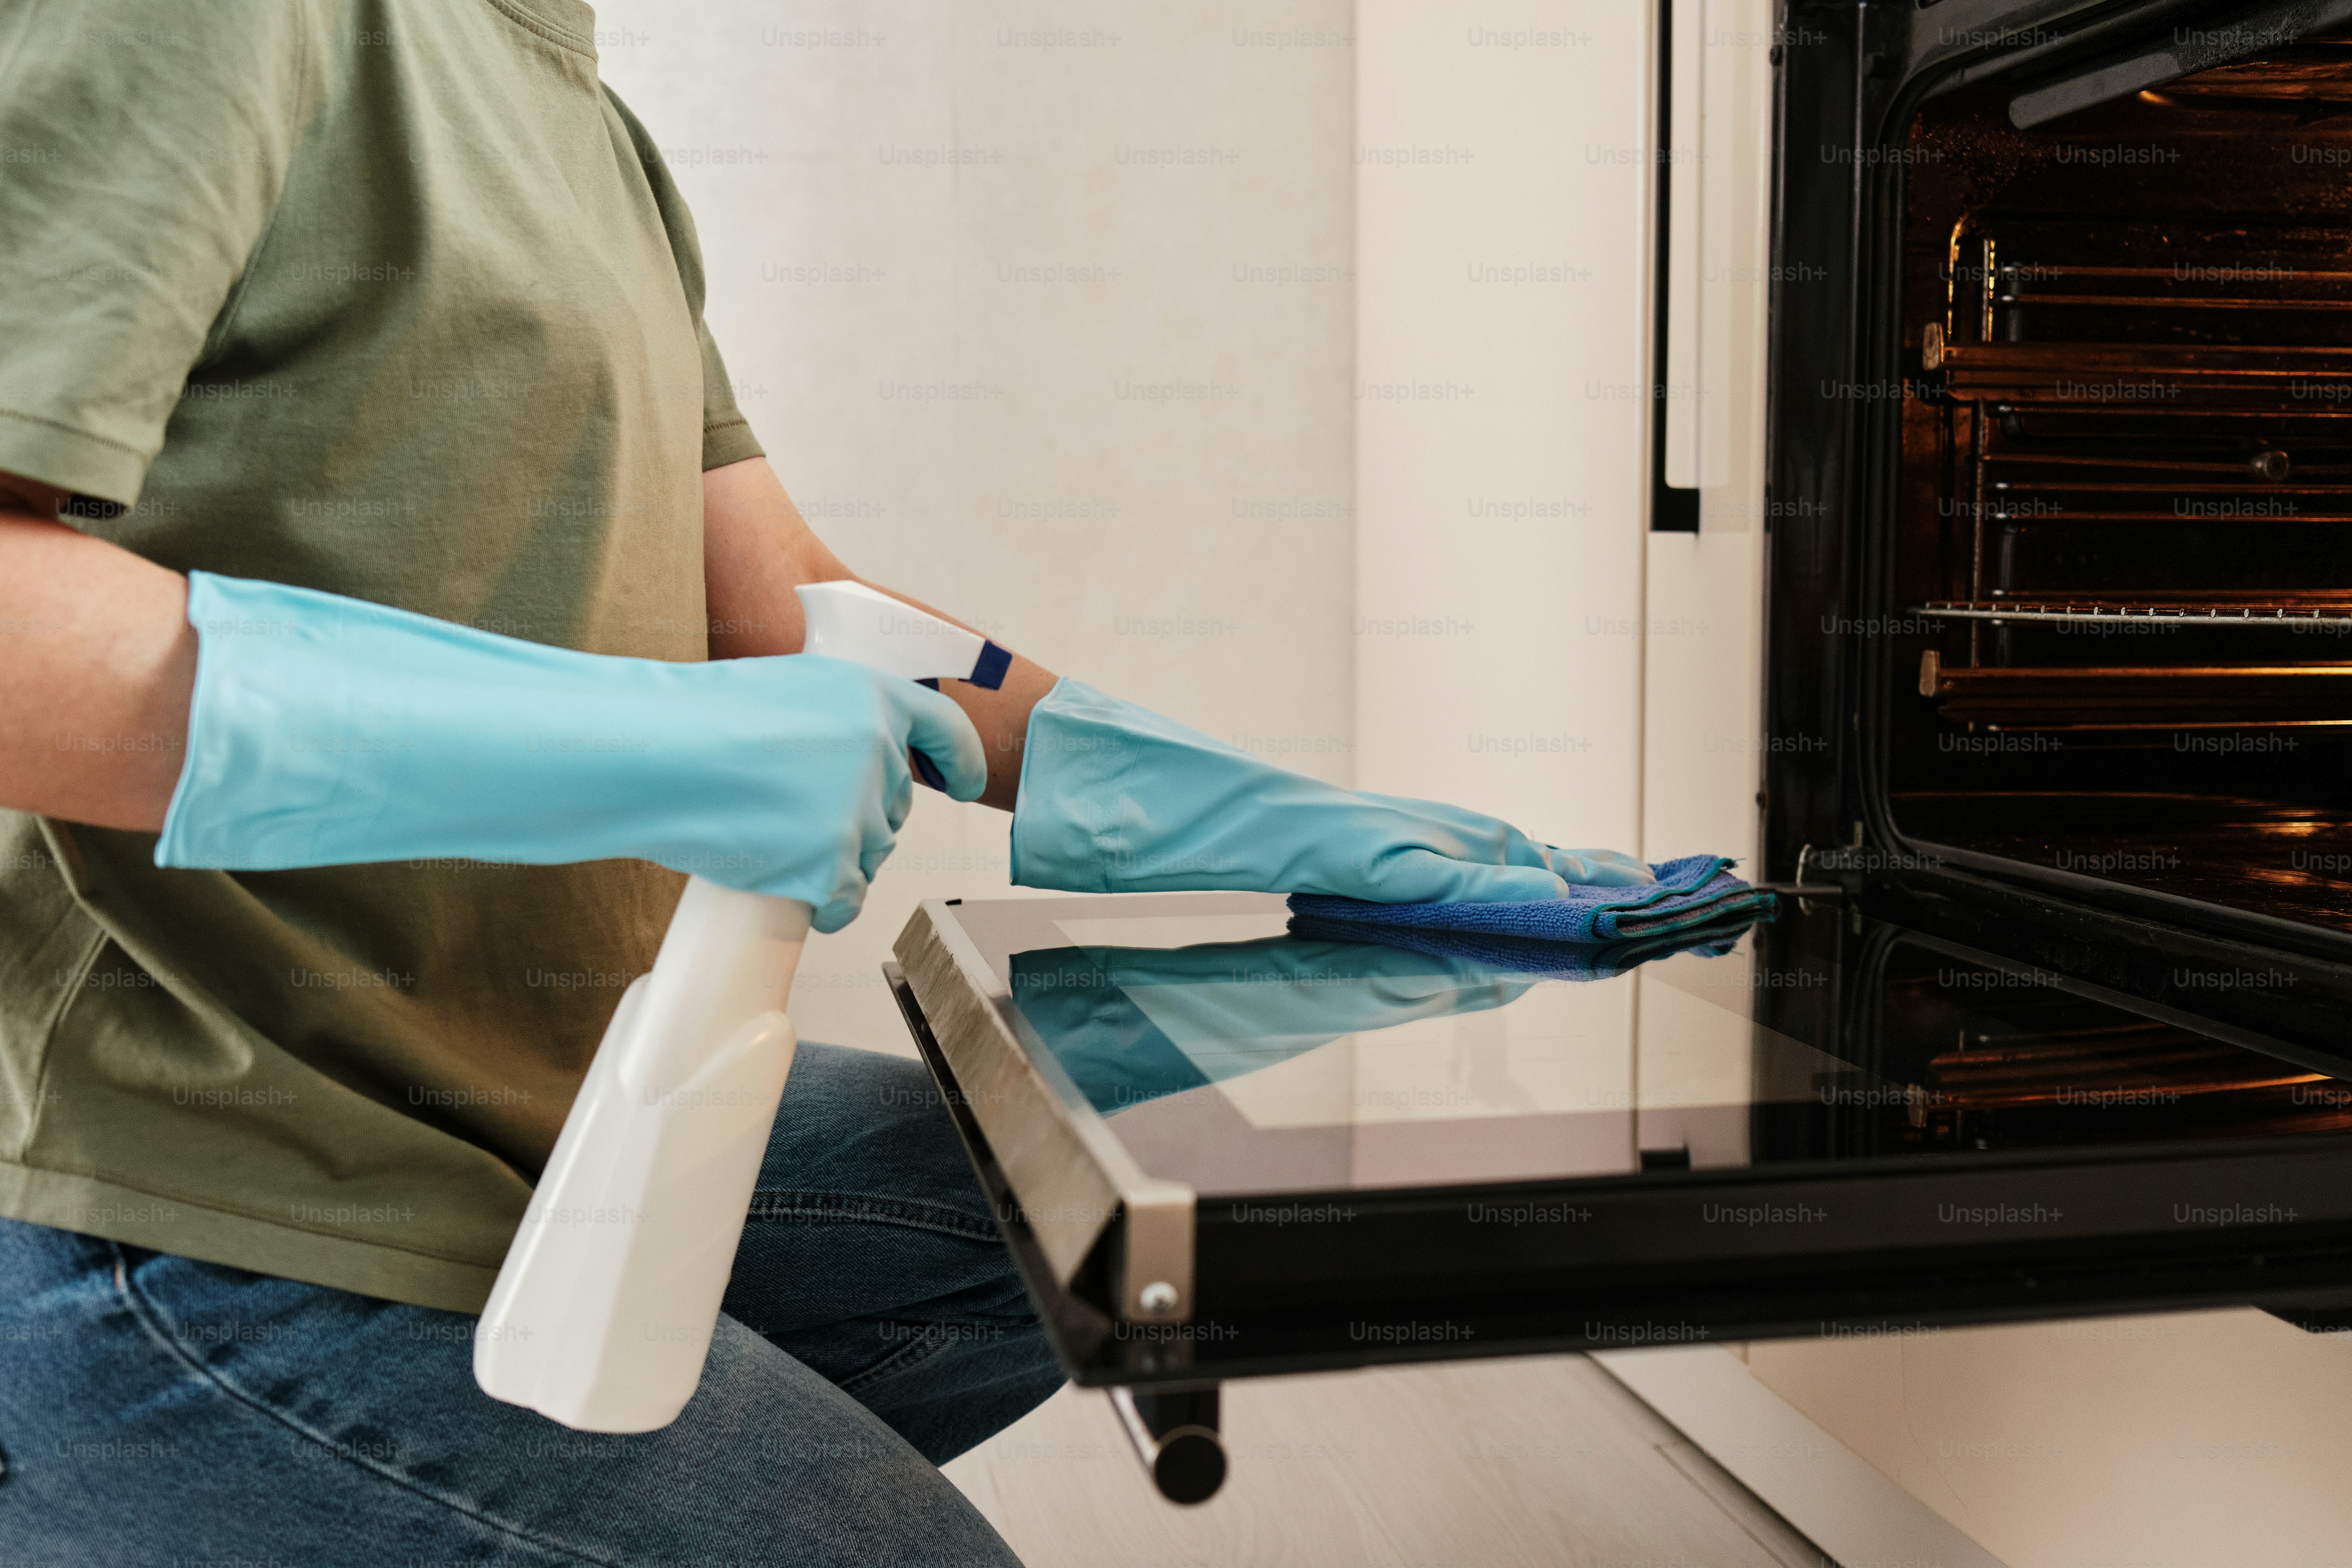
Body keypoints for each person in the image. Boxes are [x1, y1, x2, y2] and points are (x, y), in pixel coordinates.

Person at [0, 4, 1650, 1561]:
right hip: (194, 1181)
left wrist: (1269, 811)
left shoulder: (581, 113)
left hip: (531, 1099)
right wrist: (637, 746)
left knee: (1067, 1206)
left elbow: (793, 600)